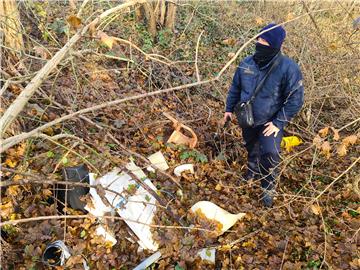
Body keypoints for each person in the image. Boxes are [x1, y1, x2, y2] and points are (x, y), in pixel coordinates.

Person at [224, 23, 304, 207]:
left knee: (270, 153)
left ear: (274, 44)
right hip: (247, 118)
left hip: (271, 122)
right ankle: (251, 171)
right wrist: (229, 109)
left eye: (264, 40)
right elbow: (235, 88)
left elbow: (295, 100)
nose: (259, 43)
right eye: (258, 39)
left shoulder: (288, 68)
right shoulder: (246, 64)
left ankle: (267, 188)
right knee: (251, 147)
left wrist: (278, 122)